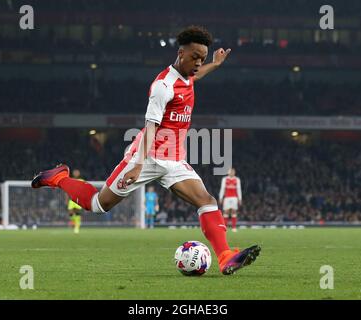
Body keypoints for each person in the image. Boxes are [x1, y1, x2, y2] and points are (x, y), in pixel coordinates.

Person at [31, 26, 260, 275]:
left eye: (202, 58)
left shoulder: (187, 76)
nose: (198, 63)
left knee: (207, 201)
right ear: (181, 53)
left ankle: (225, 257)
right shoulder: (163, 86)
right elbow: (150, 126)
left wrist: (214, 64)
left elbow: (196, 76)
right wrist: (139, 163)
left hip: (174, 160)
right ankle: (59, 178)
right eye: (195, 56)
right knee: (98, 204)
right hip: (146, 156)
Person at [219, 168, 242, 232]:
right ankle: (224, 227)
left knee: (233, 211)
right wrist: (221, 197)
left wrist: (240, 198)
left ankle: (234, 227)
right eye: (230, 171)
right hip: (227, 197)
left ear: (234, 172)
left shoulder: (237, 179)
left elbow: (239, 189)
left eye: (233, 171)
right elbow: (222, 188)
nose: (232, 172)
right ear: (228, 172)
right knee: (226, 211)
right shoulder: (225, 179)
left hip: (234, 197)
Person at [65, 169, 83, 234]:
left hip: (78, 199)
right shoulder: (70, 180)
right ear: (73, 173)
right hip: (71, 199)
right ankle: (74, 223)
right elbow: (67, 190)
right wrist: (66, 199)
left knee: (77, 212)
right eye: (75, 172)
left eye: (77, 172)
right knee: (70, 213)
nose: (76, 173)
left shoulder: (81, 181)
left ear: (79, 173)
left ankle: (77, 227)